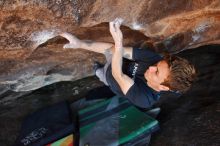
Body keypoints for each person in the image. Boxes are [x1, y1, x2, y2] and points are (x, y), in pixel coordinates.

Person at [60, 19, 196, 109]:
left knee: (102, 75)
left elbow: (117, 75)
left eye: (157, 72)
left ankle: (97, 70)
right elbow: (114, 50)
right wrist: (80, 43)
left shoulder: (145, 99)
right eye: (158, 64)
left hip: (112, 78)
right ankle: (98, 69)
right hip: (117, 60)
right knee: (113, 54)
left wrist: (119, 44)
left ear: (163, 87)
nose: (152, 67)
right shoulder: (154, 59)